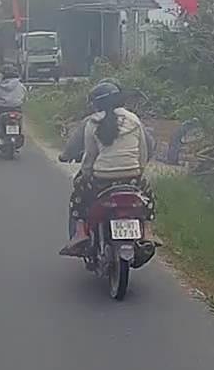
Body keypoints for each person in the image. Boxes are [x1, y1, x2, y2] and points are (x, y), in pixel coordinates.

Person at [60, 80, 151, 257]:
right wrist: (139, 172)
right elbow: (143, 151)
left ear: (96, 103)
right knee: (148, 197)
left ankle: (80, 233)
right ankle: (148, 230)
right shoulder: (133, 119)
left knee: (78, 196)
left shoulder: (93, 122)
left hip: (103, 179)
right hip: (131, 176)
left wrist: (85, 176)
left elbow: (89, 156)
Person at [0, 64, 27, 130]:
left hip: (2, 108)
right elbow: (24, 97)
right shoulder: (20, 85)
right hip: (16, 108)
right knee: (19, 122)